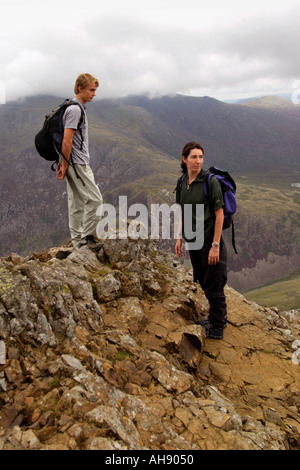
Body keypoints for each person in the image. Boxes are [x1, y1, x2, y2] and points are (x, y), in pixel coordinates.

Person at [175, 142, 227, 339]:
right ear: (184, 159)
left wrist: (215, 246)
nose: (198, 161)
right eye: (194, 157)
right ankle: (217, 317)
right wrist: (179, 237)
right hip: (194, 241)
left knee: (214, 283)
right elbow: (182, 211)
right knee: (204, 280)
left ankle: (217, 327)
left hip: (209, 241)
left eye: (200, 157)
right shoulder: (182, 183)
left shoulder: (209, 181)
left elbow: (219, 215)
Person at [56, 73, 103, 251]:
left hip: (72, 163)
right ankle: (88, 237)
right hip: (77, 164)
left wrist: (64, 163)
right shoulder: (75, 110)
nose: (94, 94)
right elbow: (67, 141)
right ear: (79, 88)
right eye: (91, 90)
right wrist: (66, 164)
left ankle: (78, 243)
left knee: (76, 203)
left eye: (95, 90)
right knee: (95, 199)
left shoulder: (75, 108)